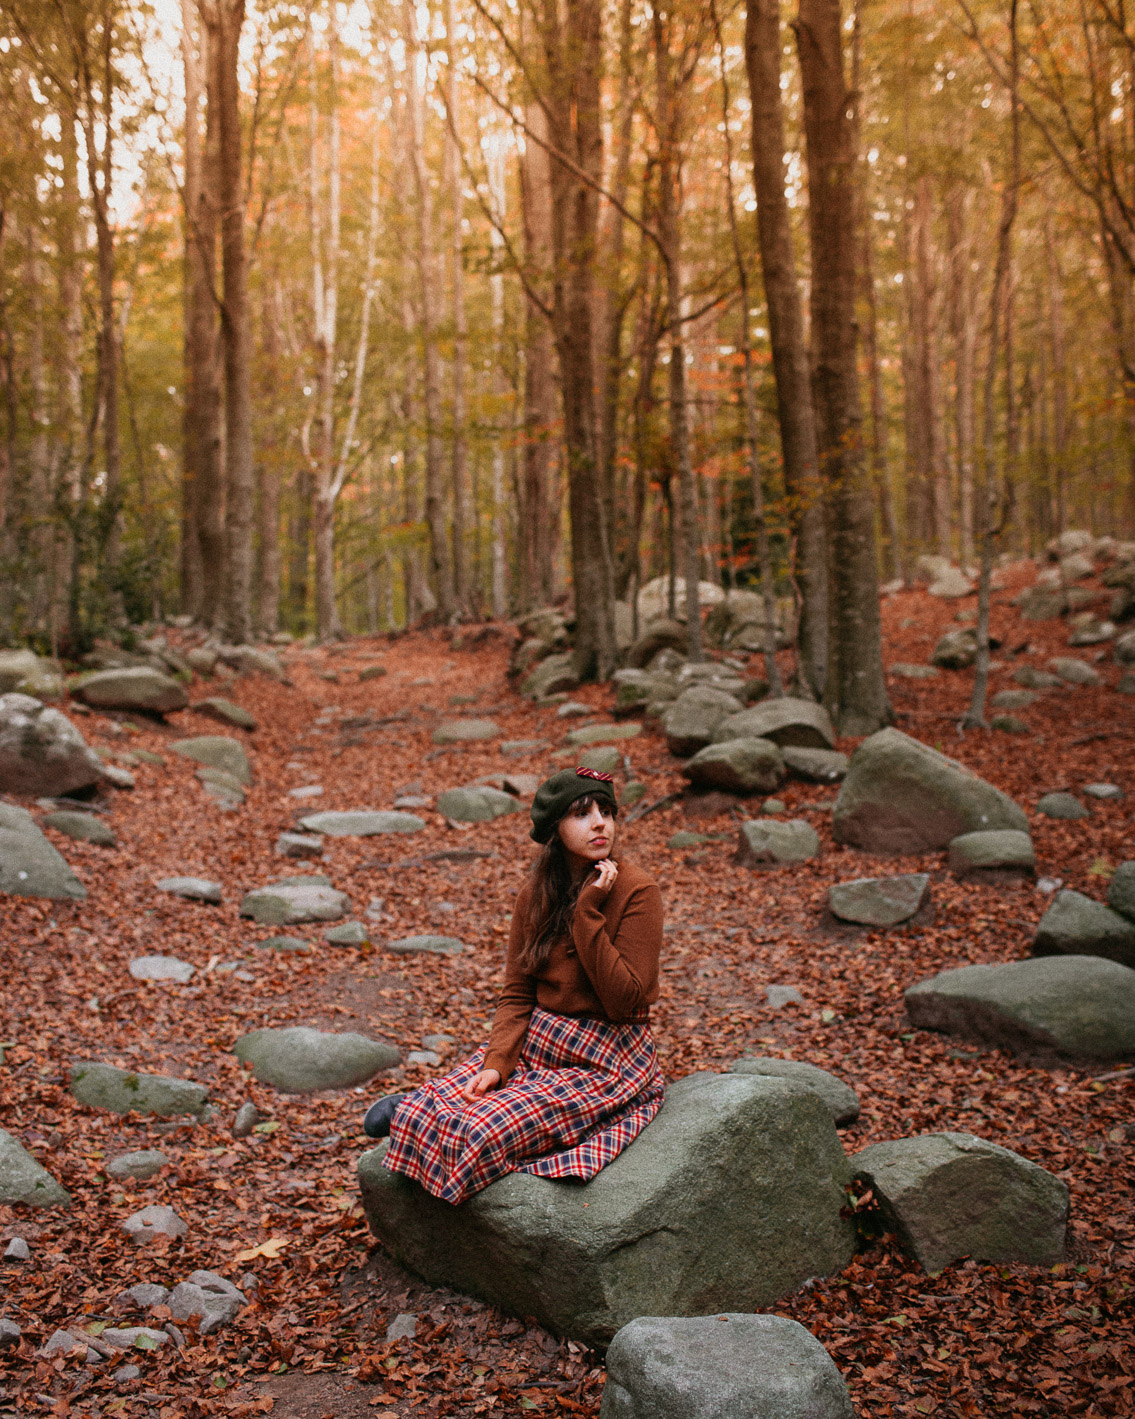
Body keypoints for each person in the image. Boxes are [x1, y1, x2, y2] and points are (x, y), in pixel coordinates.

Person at [361, 766, 665, 1205]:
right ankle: (418, 1113)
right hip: (539, 1042)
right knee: (470, 1090)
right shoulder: (535, 894)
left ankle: (424, 1126)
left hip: (606, 1057)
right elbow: (518, 992)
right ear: (555, 831)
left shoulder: (637, 891)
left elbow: (624, 1000)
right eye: (582, 814)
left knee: (485, 1129)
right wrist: (498, 1062)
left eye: (606, 811)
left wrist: (587, 913)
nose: (600, 822)